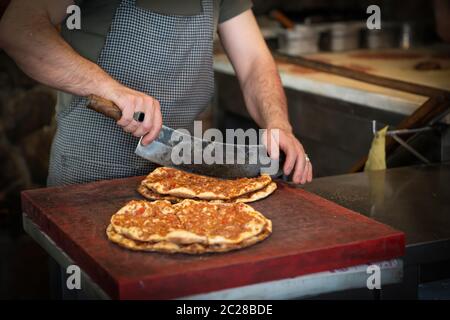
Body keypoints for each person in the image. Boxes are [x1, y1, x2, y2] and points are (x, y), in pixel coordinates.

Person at [0, 0, 312, 186]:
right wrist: (110, 89)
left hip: (181, 171)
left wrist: (278, 124)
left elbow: (254, 61)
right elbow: (18, 29)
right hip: (90, 172)